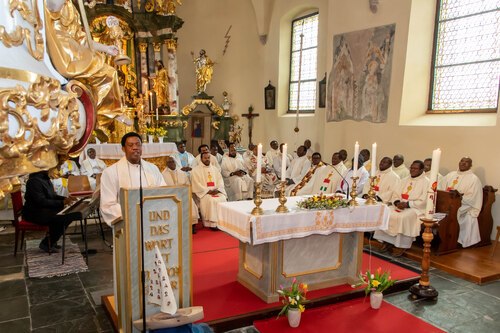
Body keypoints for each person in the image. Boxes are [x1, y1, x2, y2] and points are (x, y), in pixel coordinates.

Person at [44, 0, 125, 128]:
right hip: (60, 46)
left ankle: (106, 115)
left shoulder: (74, 9)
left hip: (76, 48)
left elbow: (84, 40)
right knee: (96, 67)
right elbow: (52, 7)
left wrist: (106, 48)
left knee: (110, 72)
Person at [100, 132, 166, 225]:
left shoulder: (153, 169)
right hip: (128, 224)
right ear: (123, 149)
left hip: (153, 222)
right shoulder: (110, 172)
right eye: (130, 145)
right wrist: (135, 214)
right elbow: (108, 206)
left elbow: (163, 193)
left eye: (138, 144)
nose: (135, 147)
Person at [374, 160, 429, 256]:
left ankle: (401, 245)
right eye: (411, 168)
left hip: (415, 208)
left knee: (402, 217)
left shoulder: (426, 182)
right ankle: (387, 242)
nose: (412, 170)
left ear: (421, 170)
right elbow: (395, 193)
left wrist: (408, 205)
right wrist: (397, 202)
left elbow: (424, 200)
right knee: (385, 212)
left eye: (415, 168)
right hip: (400, 205)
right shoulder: (404, 180)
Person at [23, 170, 79, 253]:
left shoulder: (45, 179)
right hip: (35, 213)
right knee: (64, 217)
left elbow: (52, 196)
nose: (57, 171)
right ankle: (46, 243)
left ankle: (52, 240)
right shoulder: (34, 181)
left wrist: (65, 199)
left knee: (67, 215)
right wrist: (62, 202)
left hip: (43, 210)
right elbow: (41, 201)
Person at [443, 157, 483, 247]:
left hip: (464, 204)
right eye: (462, 161)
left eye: (467, 162)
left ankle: (452, 237)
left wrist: (459, 197)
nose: (463, 163)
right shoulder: (450, 175)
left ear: (471, 165)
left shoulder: (474, 179)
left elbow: (473, 198)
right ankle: (440, 235)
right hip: (447, 201)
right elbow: (441, 187)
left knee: (453, 211)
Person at [162, 157, 200, 234]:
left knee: (190, 202)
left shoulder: (182, 173)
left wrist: (184, 191)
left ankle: (191, 225)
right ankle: (175, 226)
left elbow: (188, 184)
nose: (172, 163)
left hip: (183, 195)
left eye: (173, 161)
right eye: (169, 162)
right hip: (171, 196)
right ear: (167, 164)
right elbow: (163, 188)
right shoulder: (163, 175)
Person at [191, 152, 227, 229]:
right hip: (204, 193)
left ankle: (222, 222)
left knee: (222, 198)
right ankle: (212, 224)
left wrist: (217, 189)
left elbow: (220, 181)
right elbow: (196, 184)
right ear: (201, 159)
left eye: (208, 158)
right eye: (205, 158)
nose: (207, 159)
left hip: (215, 191)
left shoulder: (215, 169)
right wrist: (208, 191)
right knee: (211, 200)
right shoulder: (195, 170)